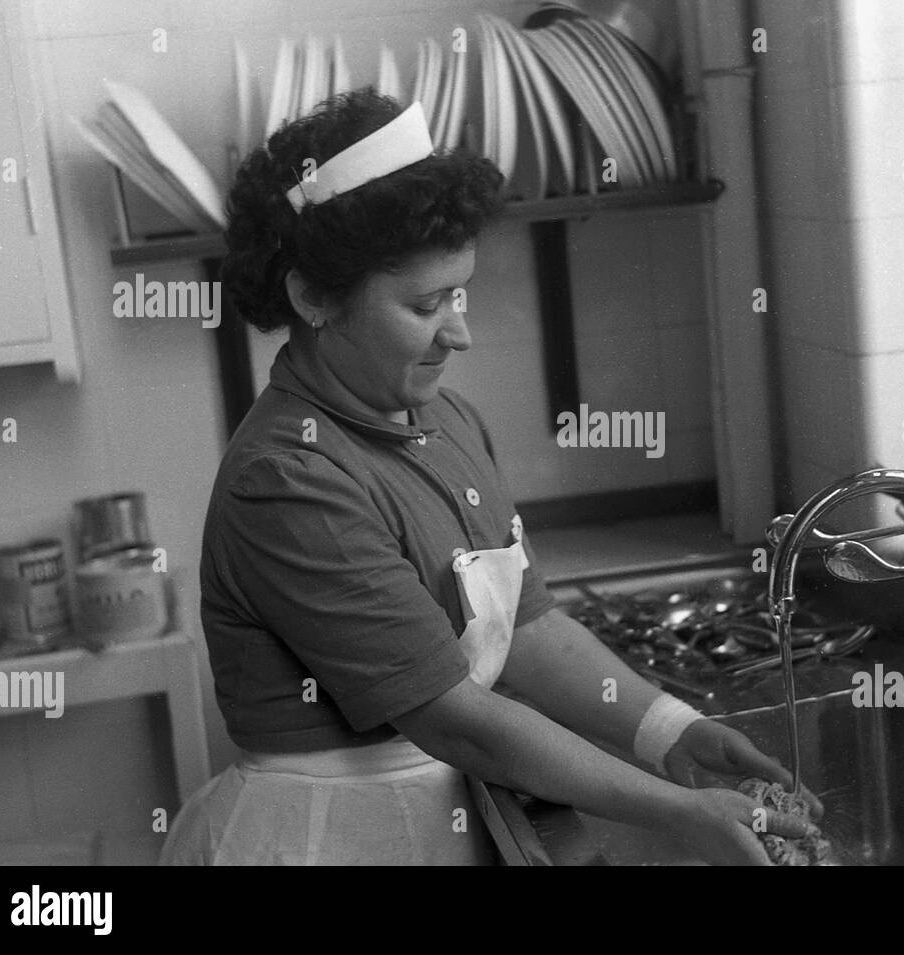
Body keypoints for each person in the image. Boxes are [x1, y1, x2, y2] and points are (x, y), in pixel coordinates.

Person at [160, 88, 820, 866]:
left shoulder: (447, 421)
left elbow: (530, 631)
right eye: (424, 304)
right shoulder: (288, 479)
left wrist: (670, 730)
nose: (460, 332)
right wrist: (679, 812)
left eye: (459, 294)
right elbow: (455, 717)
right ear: (312, 297)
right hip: (329, 838)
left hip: (448, 812)